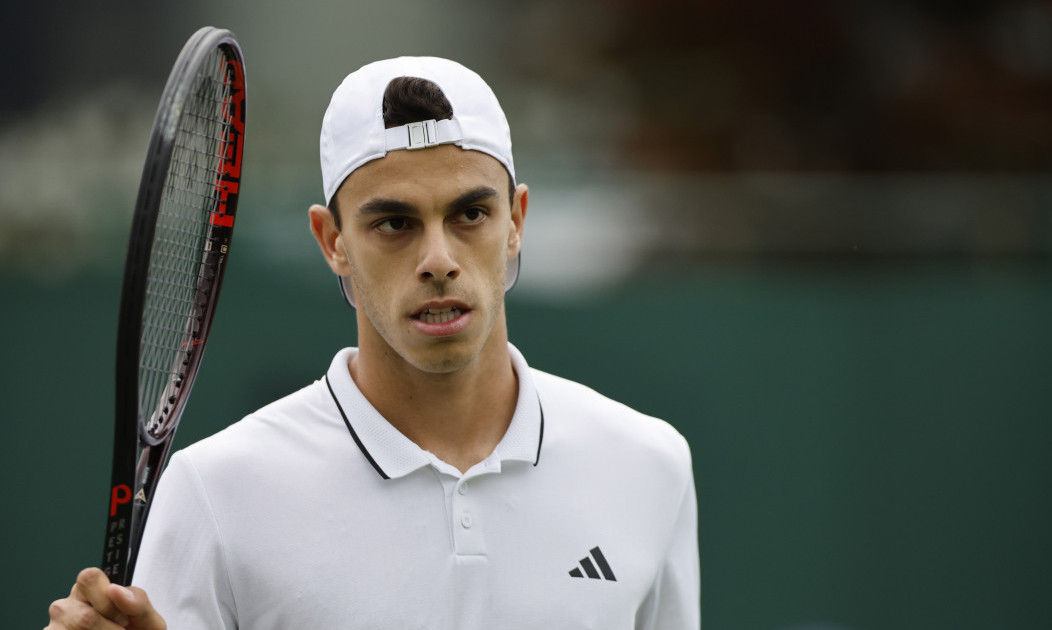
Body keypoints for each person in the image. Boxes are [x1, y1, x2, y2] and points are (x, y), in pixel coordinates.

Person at [46, 56, 699, 630]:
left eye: (470, 214)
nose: (438, 259)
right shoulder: (214, 490)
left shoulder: (650, 465)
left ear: (515, 222)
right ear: (332, 241)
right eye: (394, 222)